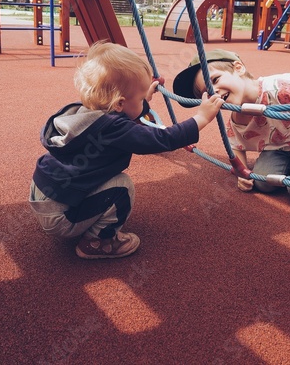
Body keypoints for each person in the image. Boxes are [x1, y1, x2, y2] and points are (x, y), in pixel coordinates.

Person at [29, 41, 223, 260]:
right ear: (120, 103)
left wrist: (143, 98)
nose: (143, 101)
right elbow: (162, 139)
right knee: (122, 187)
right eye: (140, 98)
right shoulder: (114, 127)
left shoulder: (84, 113)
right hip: (62, 217)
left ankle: (80, 217)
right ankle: (97, 242)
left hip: (42, 196)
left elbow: (125, 115)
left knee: (105, 179)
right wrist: (201, 118)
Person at [173, 49, 290, 205]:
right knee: (262, 183)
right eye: (207, 92)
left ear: (239, 68)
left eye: (215, 80)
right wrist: (242, 173)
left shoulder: (283, 87)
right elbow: (236, 145)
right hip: (278, 149)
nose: (214, 91)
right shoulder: (237, 117)